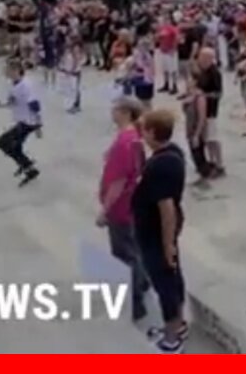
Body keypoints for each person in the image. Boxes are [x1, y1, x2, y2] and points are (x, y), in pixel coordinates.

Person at [132, 109, 188, 354]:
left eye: (144, 129)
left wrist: (168, 246)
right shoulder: (172, 152)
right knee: (173, 277)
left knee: (164, 282)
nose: (141, 133)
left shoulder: (161, 165)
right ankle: (179, 324)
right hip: (158, 230)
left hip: (156, 233)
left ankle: (172, 338)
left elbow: (166, 209)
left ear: (153, 132)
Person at [97, 97, 150, 322]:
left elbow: (118, 182)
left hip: (121, 207)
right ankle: (144, 281)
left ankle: (135, 301)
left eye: (115, 108)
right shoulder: (133, 138)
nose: (112, 112)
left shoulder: (123, 143)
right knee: (135, 247)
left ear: (126, 113)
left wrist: (105, 210)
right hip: (134, 203)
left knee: (124, 254)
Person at [0, 59, 43, 187]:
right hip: (22, 121)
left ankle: (29, 167)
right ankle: (25, 165)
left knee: (2, 142)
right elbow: (13, 102)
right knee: (16, 146)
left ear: (15, 71)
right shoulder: (14, 84)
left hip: (28, 123)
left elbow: (35, 105)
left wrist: (38, 126)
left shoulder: (25, 86)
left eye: (7, 69)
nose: (5, 72)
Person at [194, 47, 225, 178]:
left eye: (201, 57)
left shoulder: (214, 73)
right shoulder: (203, 71)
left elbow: (218, 93)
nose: (199, 59)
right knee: (207, 138)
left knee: (213, 138)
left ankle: (219, 163)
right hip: (203, 109)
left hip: (211, 110)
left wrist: (203, 95)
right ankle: (212, 161)